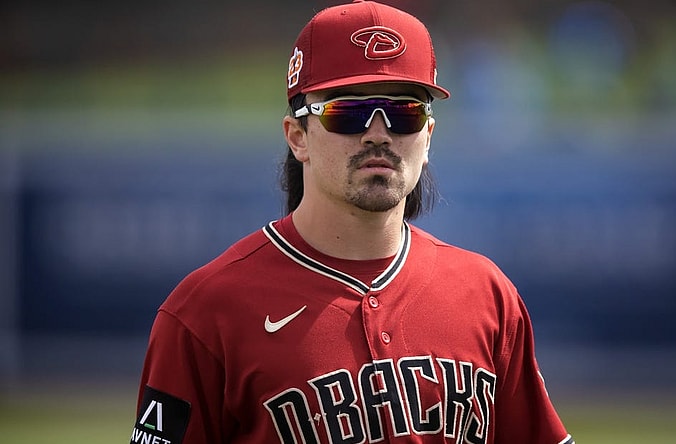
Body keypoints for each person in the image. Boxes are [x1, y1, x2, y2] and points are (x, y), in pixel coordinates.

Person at [130, 1, 574, 443]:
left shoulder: (487, 294)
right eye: (348, 112)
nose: (378, 133)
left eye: (405, 113)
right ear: (297, 137)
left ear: (428, 136)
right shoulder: (205, 311)